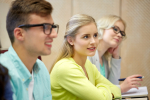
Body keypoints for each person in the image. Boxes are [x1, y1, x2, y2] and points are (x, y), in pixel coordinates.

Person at [50, 14, 121, 100]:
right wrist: (103, 88)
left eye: (95, 35)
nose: (93, 41)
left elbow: (116, 89)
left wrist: (100, 90)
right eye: (86, 37)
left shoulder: (88, 65)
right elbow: (100, 98)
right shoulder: (65, 67)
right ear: (70, 40)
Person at [0, 0, 58, 100]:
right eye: (46, 27)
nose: (54, 34)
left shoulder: (41, 68)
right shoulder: (3, 74)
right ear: (19, 34)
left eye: (53, 27)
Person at [88, 15, 143, 93]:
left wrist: (115, 57)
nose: (120, 35)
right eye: (115, 29)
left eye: (122, 33)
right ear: (102, 28)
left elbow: (112, 85)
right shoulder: (88, 54)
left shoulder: (104, 58)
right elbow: (91, 91)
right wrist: (121, 88)